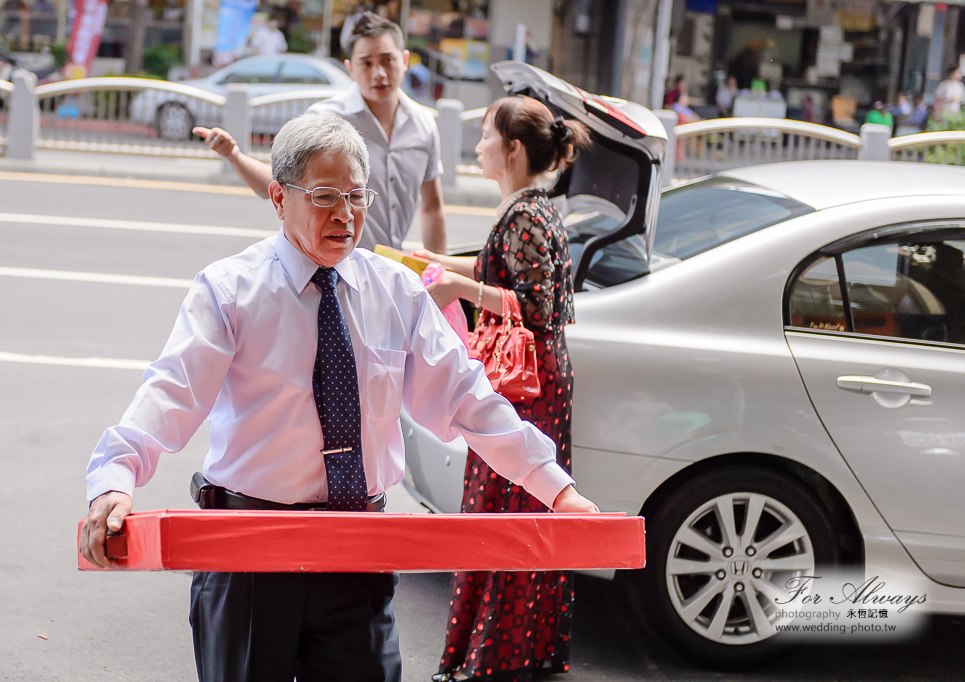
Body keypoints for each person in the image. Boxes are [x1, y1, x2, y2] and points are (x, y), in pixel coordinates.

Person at [78, 113, 599, 682]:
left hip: (359, 552)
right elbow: (170, 392)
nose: (346, 216)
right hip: (252, 553)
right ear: (278, 197)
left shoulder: (395, 291)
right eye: (325, 196)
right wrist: (115, 477)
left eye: (356, 196)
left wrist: (558, 491)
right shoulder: (230, 291)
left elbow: (469, 401)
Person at [413, 96, 591, 682]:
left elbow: (539, 307)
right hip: (535, 381)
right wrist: (441, 264)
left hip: (527, 385)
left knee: (506, 509)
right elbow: (504, 275)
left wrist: (456, 291)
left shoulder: (526, 217)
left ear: (514, 150)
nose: (480, 146)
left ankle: (495, 656)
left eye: (488, 136)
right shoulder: (529, 211)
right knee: (516, 507)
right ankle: (511, 650)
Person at [195, 13, 447, 254]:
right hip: (329, 270)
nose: (378, 73)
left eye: (387, 60)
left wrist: (440, 271)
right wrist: (234, 155)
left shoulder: (423, 123)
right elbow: (281, 186)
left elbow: (432, 207)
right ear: (350, 67)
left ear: (404, 60)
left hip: (385, 274)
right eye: (366, 63)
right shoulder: (324, 119)